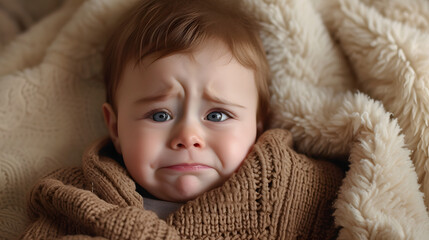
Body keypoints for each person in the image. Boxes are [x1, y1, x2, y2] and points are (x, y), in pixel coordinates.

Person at [21, 0, 344, 239]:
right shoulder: (81, 200)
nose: (188, 136)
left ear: (259, 124)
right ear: (115, 126)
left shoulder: (296, 190)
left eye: (217, 114)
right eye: (160, 114)